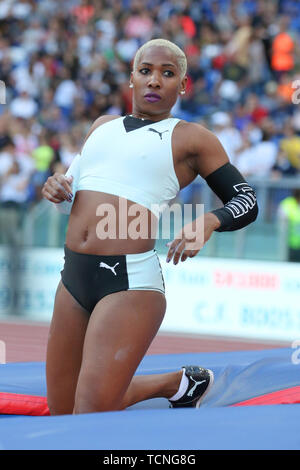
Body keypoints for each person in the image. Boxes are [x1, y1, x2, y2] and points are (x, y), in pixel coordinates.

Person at [42, 38, 258, 415]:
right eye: (146, 71)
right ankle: (175, 383)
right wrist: (57, 186)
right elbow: (73, 193)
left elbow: (246, 200)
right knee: (62, 411)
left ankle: (165, 385)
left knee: (88, 416)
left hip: (128, 284)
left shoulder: (191, 137)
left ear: (183, 86)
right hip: (72, 276)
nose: (155, 81)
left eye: (168, 73)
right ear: (132, 79)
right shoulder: (101, 126)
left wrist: (210, 220)